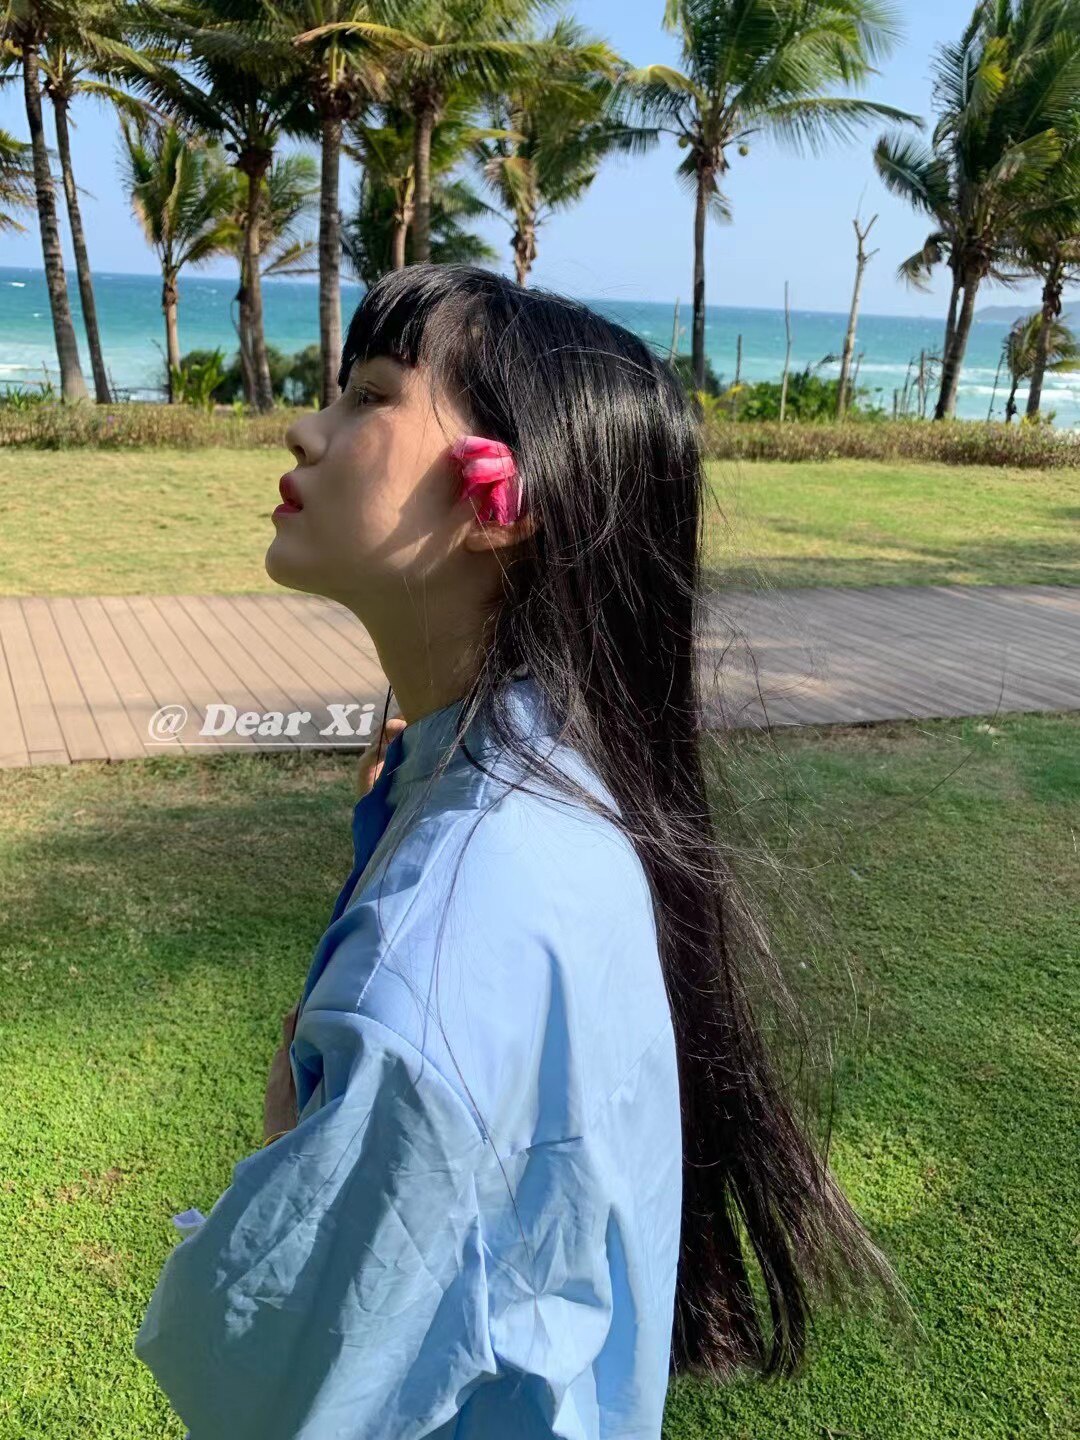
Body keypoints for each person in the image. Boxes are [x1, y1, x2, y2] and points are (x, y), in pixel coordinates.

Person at [134, 264, 889, 1439]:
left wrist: (294, 1142)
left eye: (371, 396)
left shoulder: (442, 940)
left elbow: (282, 1387)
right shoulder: (561, 787)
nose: (304, 429)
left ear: (505, 500)